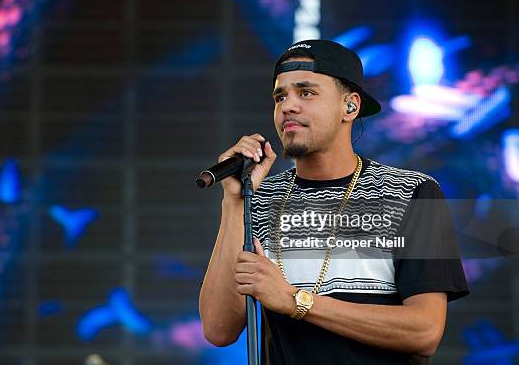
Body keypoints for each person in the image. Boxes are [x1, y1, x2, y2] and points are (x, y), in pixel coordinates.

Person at [198, 39, 469, 364]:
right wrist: (234, 201)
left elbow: (424, 332)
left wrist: (296, 301)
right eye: (280, 96)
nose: (288, 106)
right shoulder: (260, 200)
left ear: (350, 107)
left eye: (306, 93)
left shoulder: (410, 192)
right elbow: (218, 329)